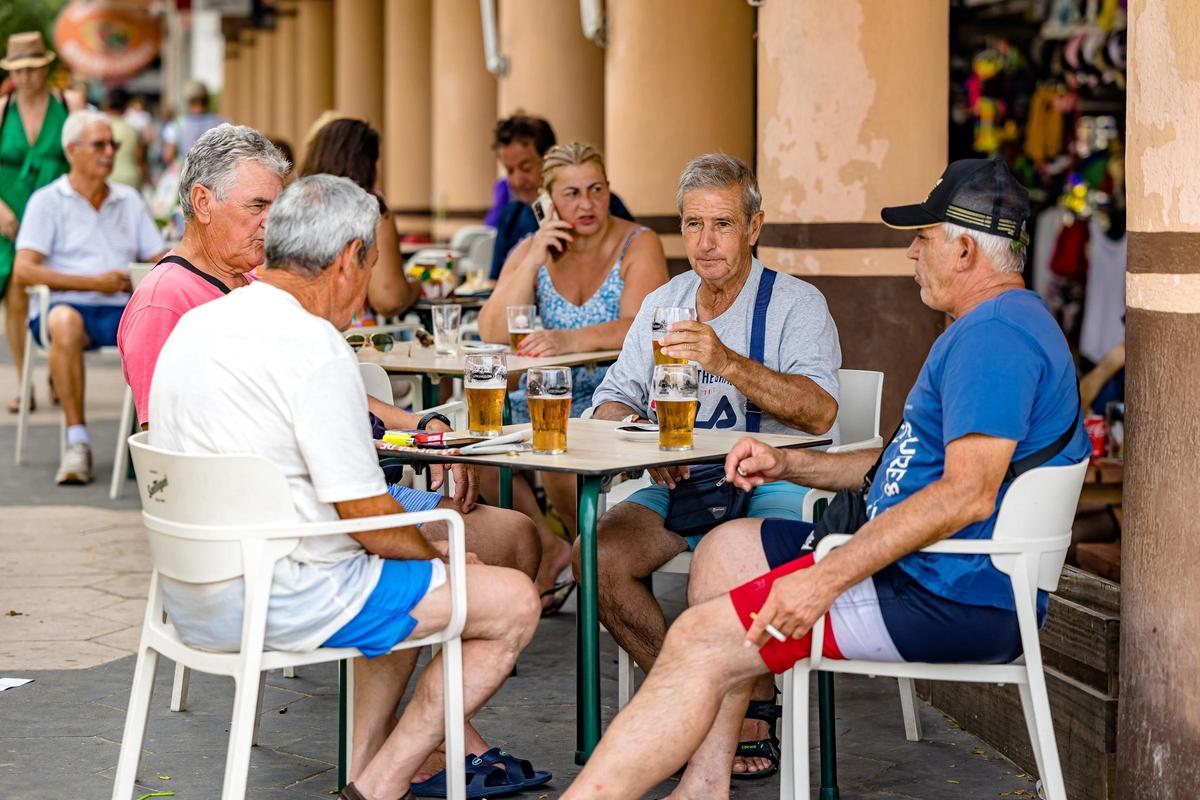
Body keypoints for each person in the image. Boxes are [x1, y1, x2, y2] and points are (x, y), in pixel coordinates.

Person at [559, 158, 1091, 800]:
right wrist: (788, 461)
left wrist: (823, 579)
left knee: (700, 637)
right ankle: (705, 779)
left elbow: (965, 493)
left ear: (966, 248)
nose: (910, 256)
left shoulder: (995, 340)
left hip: (946, 591)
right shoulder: (987, 329)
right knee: (724, 555)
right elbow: (894, 466)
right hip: (928, 569)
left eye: (921, 240)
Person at [118, 126, 544, 780]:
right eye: (370, 265)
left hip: (190, 591)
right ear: (349, 258)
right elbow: (362, 508)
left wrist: (432, 560)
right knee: (512, 598)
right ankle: (382, 782)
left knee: (418, 575)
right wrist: (444, 557)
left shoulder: (202, 322)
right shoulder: (313, 347)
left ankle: (370, 759)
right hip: (276, 594)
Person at [582, 153, 841, 776]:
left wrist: (726, 361)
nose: (706, 242)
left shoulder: (796, 304)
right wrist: (642, 437)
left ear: (754, 227)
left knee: (729, 547)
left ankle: (745, 703)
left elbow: (820, 412)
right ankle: (692, 700)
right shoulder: (663, 303)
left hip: (776, 481)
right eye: (693, 224)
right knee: (598, 554)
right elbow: (613, 397)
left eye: (722, 224)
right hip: (683, 482)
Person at [478, 142, 670, 612]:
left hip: (612, 396)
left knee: (560, 443)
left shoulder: (637, 242)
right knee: (475, 448)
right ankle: (550, 545)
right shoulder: (533, 249)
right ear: (547, 202)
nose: (586, 205)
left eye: (596, 190)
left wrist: (570, 340)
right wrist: (533, 254)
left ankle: (591, 562)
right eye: (571, 194)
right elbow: (491, 331)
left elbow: (642, 324)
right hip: (543, 396)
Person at [13, 110, 164, 485]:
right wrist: (92, 283)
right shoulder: (47, 201)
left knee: (166, 321)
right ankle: (77, 441)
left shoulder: (128, 199)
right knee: (64, 321)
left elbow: (157, 255)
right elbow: (24, 270)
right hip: (66, 310)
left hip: (122, 310)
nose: (110, 152)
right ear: (71, 150)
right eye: (99, 145)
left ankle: (159, 440)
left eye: (113, 144)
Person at [0, 31, 85, 414]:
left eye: (32, 68)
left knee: (61, 292)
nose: (26, 77)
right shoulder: (2, 108)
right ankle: (23, 382)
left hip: (59, 215)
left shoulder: (70, 104)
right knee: (16, 297)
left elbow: (83, 158)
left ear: (46, 67)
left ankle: (58, 370)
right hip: (10, 218)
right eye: (18, 70)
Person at [486, 114, 636, 279]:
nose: (517, 180)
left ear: (549, 161)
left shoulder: (602, 205)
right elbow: (496, 280)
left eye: (526, 168)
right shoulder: (511, 215)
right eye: (510, 171)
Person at [298, 117, 420, 319]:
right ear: (365, 163)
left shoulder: (291, 204)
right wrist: (417, 287)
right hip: (352, 341)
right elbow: (388, 299)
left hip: (294, 331)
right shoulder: (370, 209)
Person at [162, 79, 225, 164]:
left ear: (188, 101)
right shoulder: (221, 122)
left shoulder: (177, 125)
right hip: (214, 174)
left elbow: (168, 156)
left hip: (189, 174)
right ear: (207, 100)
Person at [101, 87, 146, 190]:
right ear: (126, 106)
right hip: (130, 178)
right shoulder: (133, 130)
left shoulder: (101, 127)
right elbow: (139, 158)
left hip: (107, 177)